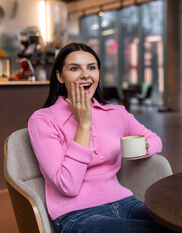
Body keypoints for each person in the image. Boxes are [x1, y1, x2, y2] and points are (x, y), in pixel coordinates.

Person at [28, 42, 172, 233]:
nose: (85, 75)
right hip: (76, 214)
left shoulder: (116, 112)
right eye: (74, 68)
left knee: (177, 224)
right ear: (60, 76)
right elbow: (67, 186)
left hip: (125, 202)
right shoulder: (43, 120)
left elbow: (155, 140)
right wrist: (84, 124)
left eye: (92, 68)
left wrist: (139, 148)